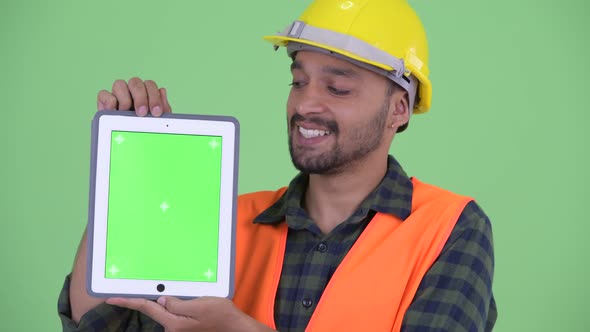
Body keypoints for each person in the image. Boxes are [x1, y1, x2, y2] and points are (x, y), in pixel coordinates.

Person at [58, 0, 497, 331]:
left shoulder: (451, 229)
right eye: (298, 79)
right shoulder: (224, 222)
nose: (305, 103)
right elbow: (98, 322)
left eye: (338, 87)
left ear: (399, 109)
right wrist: (123, 171)